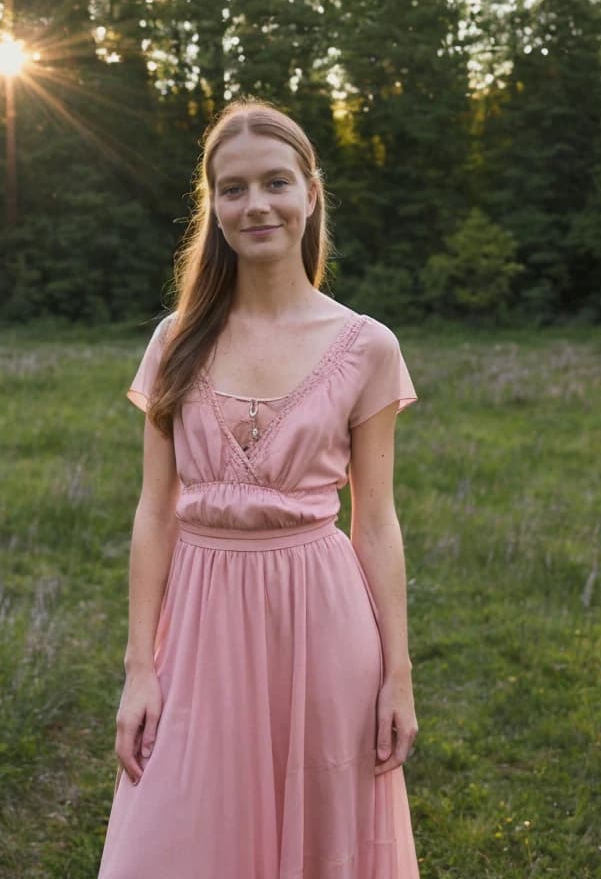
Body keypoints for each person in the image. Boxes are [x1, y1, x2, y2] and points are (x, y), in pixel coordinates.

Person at [98, 99, 421, 878]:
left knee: (320, 837)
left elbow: (374, 522)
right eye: (232, 189)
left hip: (322, 620)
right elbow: (154, 513)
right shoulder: (175, 341)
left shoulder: (365, 345)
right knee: (169, 838)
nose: (256, 205)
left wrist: (398, 676)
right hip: (200, 624)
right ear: (213, 206)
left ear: (311, 192)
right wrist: (140, 667)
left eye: (275, 182)